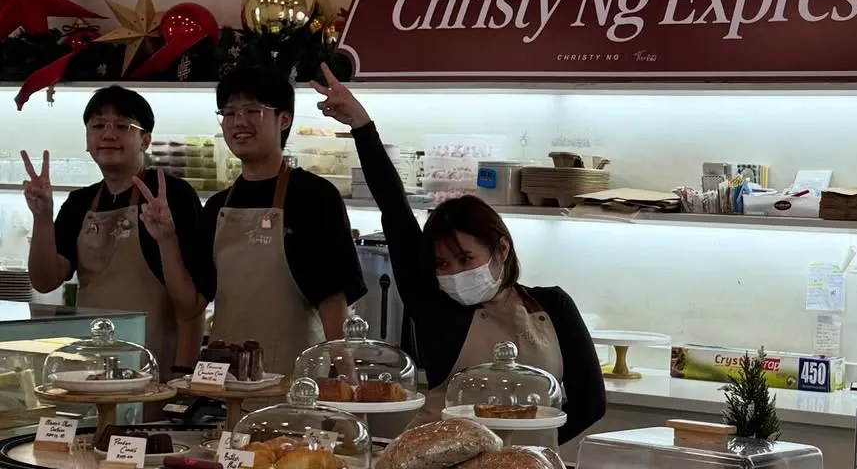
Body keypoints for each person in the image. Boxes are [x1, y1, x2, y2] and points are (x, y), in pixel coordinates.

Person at [310, 65, 605, 443]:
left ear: (501, 248)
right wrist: (362, 127)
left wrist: (532, 446)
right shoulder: (433, 302)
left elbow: (591, 402)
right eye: (442, 264)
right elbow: (395, 209)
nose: (452, 274)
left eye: (465, 259)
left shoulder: (554, 307)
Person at [139, 68, 365, 377]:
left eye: (252, 111)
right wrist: (165, 238)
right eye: (229, 113)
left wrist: (346, 376)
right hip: (225, 380)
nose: (238, 122)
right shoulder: (218, 206)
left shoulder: (314, 196)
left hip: (295, 382)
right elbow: (190, 305)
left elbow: (331, 299)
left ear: (283, 120)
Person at [21, 86, 204, 377]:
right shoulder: (80, 202)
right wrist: (42, 216)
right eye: (98, 125)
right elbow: (45, 281)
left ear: (145, 140)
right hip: (88, 365)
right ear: (87, 138)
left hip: (155, 364)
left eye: (123, 126)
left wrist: (183, 377)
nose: (108, 134)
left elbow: (194, 301)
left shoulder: (173, 196)